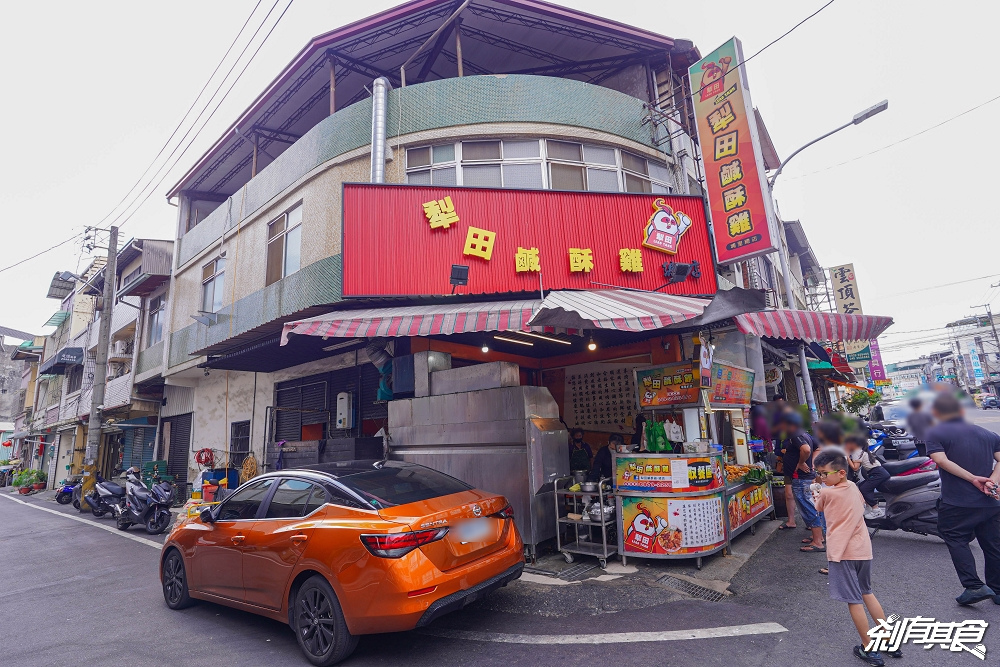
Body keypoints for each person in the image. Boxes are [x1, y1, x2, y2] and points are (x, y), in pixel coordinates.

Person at [813, 449, 900, 666]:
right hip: (862, 549)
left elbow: (818, 507)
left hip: (842, 553)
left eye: (824, 474)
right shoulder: (853, 486)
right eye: (819, 474)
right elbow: (859, 504)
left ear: (841, 472)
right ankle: (888, 640)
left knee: (854, 600)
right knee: (867, 593)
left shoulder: (826, 492)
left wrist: (817, 492)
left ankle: (868, 647)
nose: (821, 478)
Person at [925, 392, 1000, 605]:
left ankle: (974, 586)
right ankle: (997, 590)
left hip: (958, 502)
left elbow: (940, 459)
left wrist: (973, 479)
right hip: (990, 502)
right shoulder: (987, 434)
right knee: (993, 545)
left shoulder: (937, 432)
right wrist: (993, 480)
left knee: (954, 536)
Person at [778, 412, 825, 552]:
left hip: (801, 478)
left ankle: (817, 542)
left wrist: (802, 462)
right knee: (815, 504)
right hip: (809, 476)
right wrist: (812, 464)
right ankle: (819, 537)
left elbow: (806, 449)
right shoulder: (804, 434)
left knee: (808, 506)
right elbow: (818, 447)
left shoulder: (796, 435)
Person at [843, 433, 889, 519]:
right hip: (880, 472)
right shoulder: (861, 451)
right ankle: (868, 507)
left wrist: (847, 456)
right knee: (862, 486)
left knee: (864, 488)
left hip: (878, 473)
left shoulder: (857, 451)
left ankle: (876, 510)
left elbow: (855, 468)